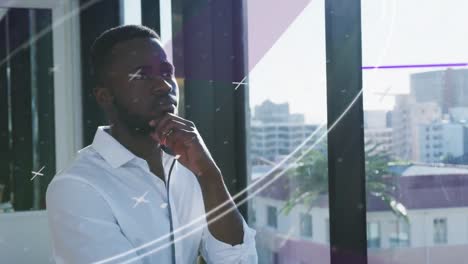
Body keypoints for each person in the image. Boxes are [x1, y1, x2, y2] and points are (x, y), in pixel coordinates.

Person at [46, 25, 257, 264]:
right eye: (143, 75)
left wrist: (210, 175)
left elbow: (239, 261)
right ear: (105, 96)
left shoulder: (190, 174)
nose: (165, 86)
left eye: (167, 73)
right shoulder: (77, 187)